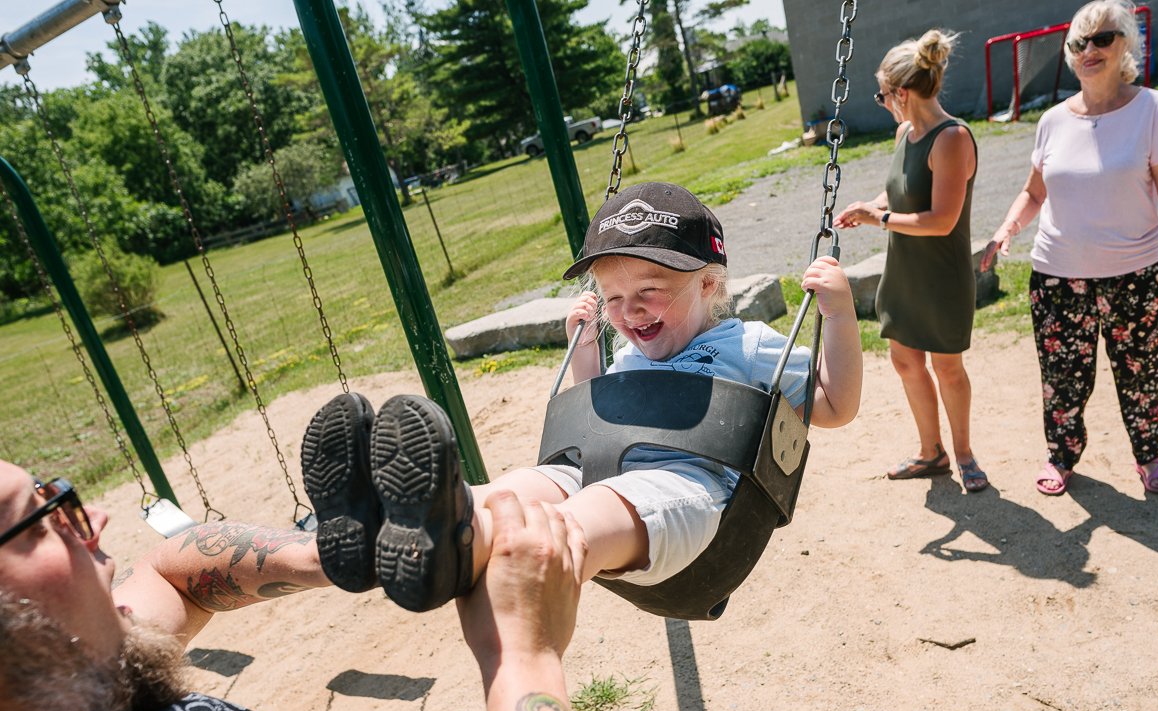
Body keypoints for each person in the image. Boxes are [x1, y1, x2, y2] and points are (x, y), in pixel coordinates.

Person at [302, 180, 862, 616]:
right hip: (598, 469)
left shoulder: (749, 345)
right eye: (613, 297)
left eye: (649, 292)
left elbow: (835, 406)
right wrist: (588, 349)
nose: (629, 311)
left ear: (709, 285)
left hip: (682, 493)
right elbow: (599, 416)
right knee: (528, 486)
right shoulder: (629, 350)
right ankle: (424, 526)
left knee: (584, 513)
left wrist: (838, 315)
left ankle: (502, 543)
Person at [0, 460, 605, 711]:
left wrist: (328, 558)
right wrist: (524, 652)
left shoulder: (63, 686)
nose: (94, 516)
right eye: (36, 520)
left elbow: (172, 573)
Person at [980, 0, 1158, 496]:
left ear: (1127, 43)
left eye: (1103, 38)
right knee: (1062, 378)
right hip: (1058, 275)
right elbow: (1035, 191)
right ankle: (1061, 456)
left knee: (1141, 373)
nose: (1090, 50)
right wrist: (1007, 228)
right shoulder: (1053, 121)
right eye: (1080, 42)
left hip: (1137, 274)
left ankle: (1149, 457)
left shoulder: (1154, 109)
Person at [833, 29, 988, 493]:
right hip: (903, 269)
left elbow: (941, 220)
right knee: (905, 361)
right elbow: (901, 192)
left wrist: (878, 217)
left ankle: (964, 454)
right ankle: (930, 452)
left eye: (882, 95)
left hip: (940, 275)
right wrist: (870, 206)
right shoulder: (905, 133)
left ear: (901, 92)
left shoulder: (953, 138)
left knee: (947, 367)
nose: (882, 103)